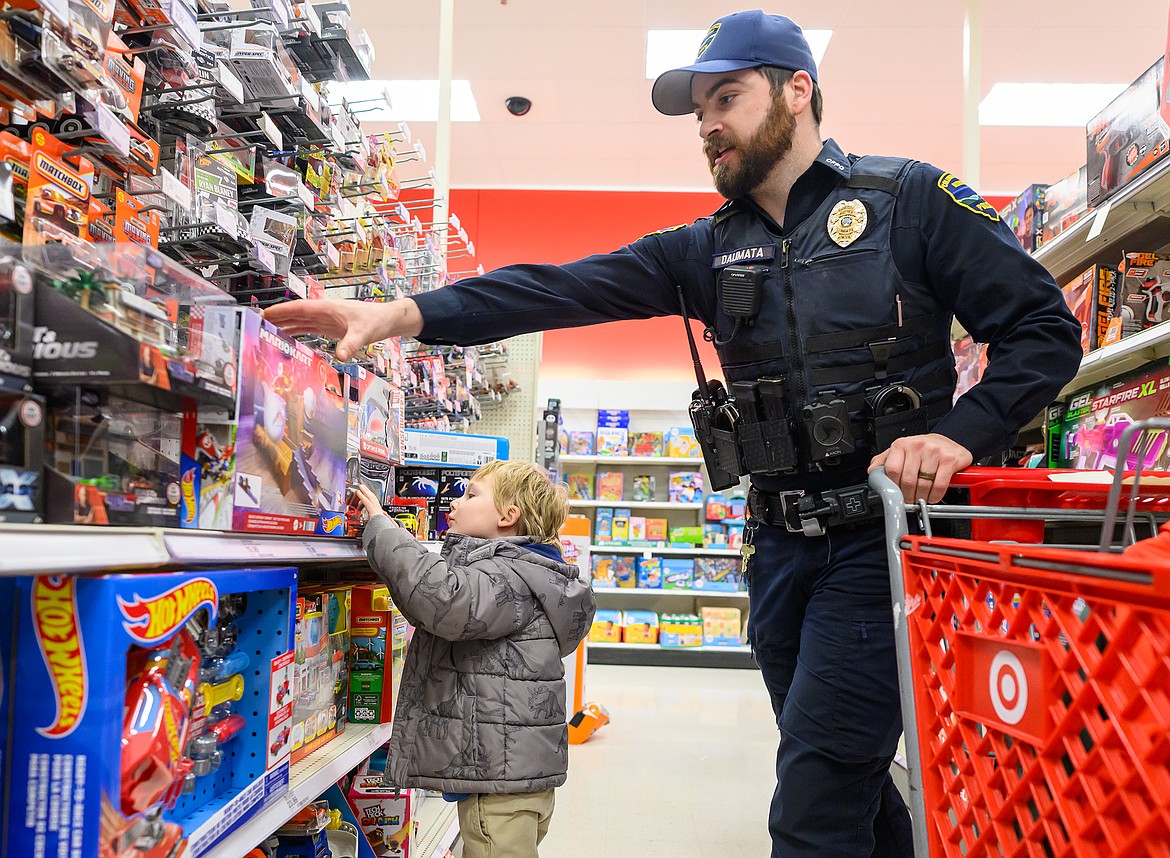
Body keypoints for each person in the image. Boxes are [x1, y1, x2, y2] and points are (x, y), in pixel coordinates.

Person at [268, 11, 1082, 855]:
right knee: (849, 776)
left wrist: (960, 434)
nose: (708, 125)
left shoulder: (906, 202)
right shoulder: (703, 251)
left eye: (727, 97)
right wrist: (402, 312)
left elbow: (1045, 331)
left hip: (877, 549)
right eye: (698, 109)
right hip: (777, 552)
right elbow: (555, 288)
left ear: (797, 91)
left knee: (813, 802)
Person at [350, 460, 595, 858]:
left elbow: (443, 597)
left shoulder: (507, 578)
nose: (455, 502)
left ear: (507, 516)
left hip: (499, 787)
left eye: (471, 494)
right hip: (518, 776)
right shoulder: (534, 575)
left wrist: (382, 528)